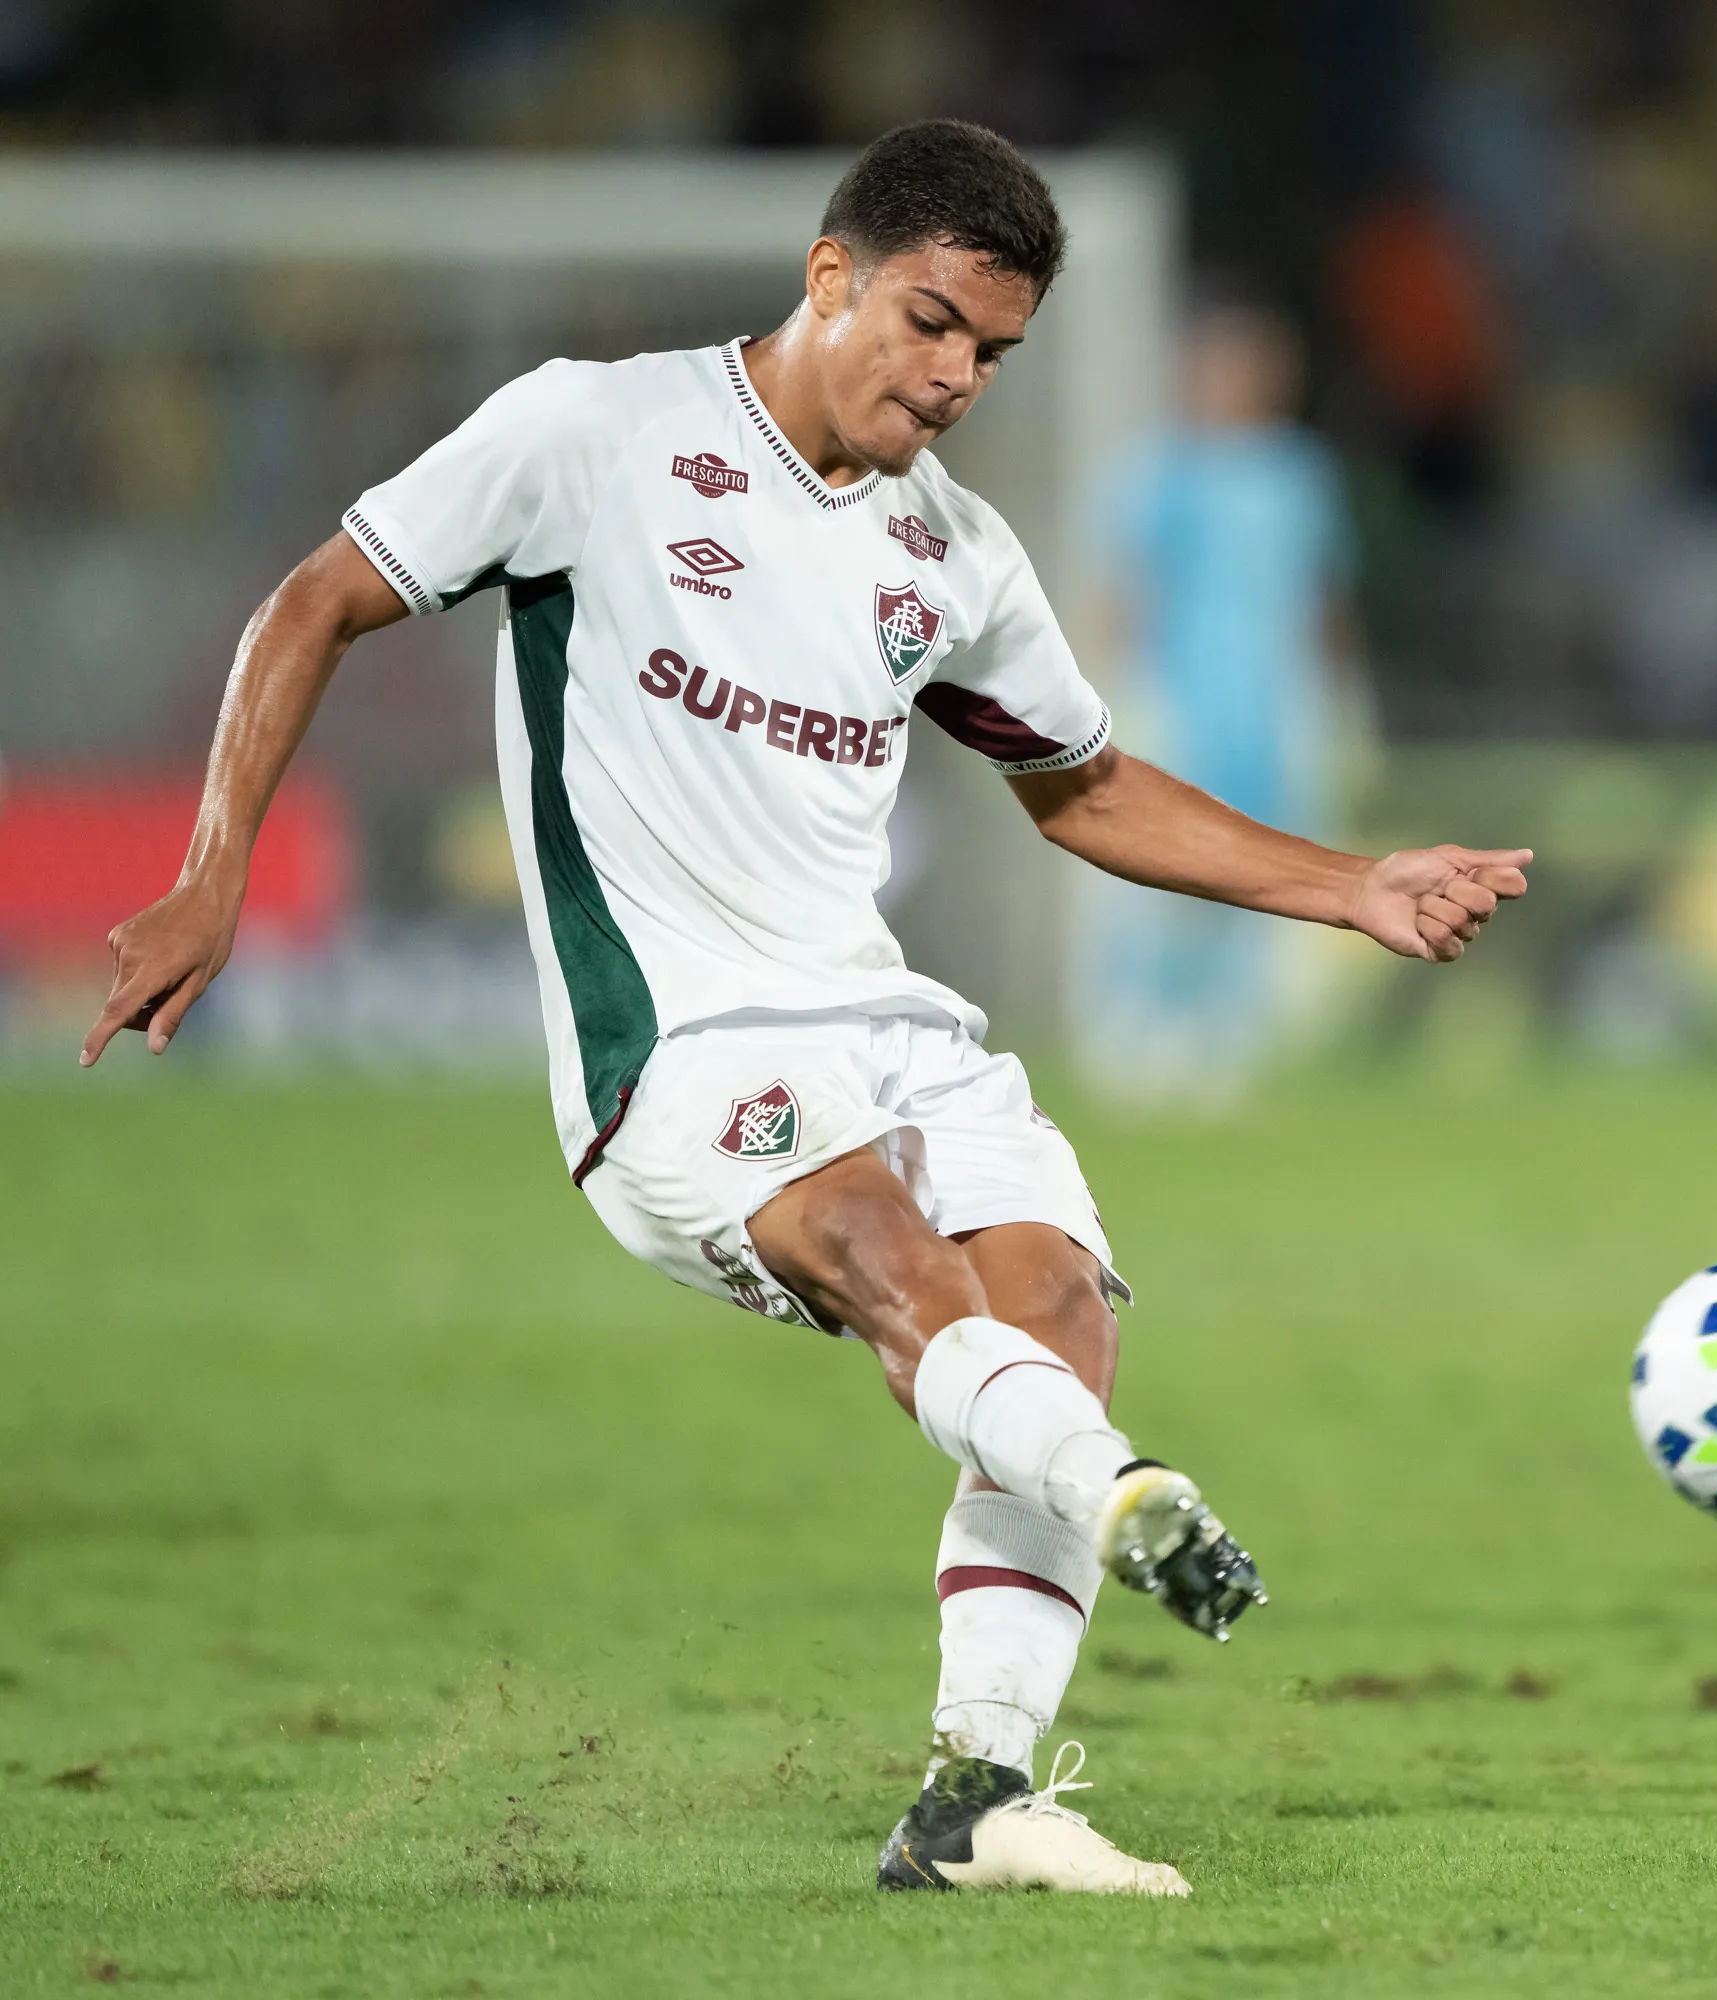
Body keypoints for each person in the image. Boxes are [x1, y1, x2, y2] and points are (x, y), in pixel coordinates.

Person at [80, 121, 1530, 1897]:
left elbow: (1080, 787)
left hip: (884, 1019)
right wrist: (215, 864)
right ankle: (1128, 1494)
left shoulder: (958, 559)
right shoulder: (591, 434)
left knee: (1057, 1307)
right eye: (929, 324)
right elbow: (318, 600)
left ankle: (976, 1802)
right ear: (832, 272)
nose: (955, 376)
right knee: (886, 1259)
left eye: (990, 354)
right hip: (675, 1050)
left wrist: (1351, 884)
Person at [1089, 300, 1356, 1101]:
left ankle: (1229, 1025)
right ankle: (1143, 1020)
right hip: (1185, 696)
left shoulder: (1297, 472)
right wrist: (1124, 694)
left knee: (1263, 861)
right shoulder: (1164, 469)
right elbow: (1128, 587)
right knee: (1170, 862)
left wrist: (1337, 695)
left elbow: (1322, 594)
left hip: (1269, 705)